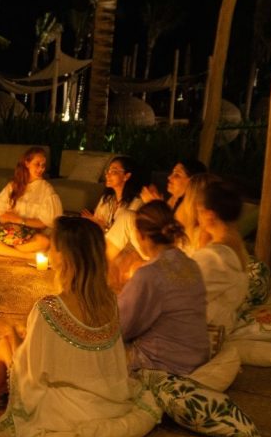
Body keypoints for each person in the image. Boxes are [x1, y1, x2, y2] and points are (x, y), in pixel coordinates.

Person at [0, 216, 146, 437]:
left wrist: (13, 336)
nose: (49, 248)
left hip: (65, 410)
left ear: (65, 255)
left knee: (5, 345)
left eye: (54, 245)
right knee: (12, 342)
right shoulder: (110, 301)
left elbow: (33, 375)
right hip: (104, 399)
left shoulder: (51, 308)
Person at [118, 201, 209, 375]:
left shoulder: (150, 274)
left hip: (165, 363)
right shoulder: (190, 265)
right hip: (196, 357)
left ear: (139, 235)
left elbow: (121, 327)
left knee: (91, 354)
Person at [0, 146, 62, 259]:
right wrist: (11, 224)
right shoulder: (13, 186)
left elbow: (44, 223)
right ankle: (26, 256)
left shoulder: (46, 190)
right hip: (11, 234)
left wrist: (20, 220)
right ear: (27, 163)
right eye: (37, 164)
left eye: (43, 165)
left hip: (32, 236)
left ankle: (5, 250)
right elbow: (1, 216)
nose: (41, 169)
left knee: (45, 241)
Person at [191, 178, 251, 334]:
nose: (197, 217)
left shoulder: (215, 256)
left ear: (209, 215)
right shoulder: (236, 246)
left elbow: (181, 294)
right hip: (218, 328)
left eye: (199, 211)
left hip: (199, 336)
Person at [82, 156, 143, 261]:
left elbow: (128, 237)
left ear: (126, 176)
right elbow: (96, 224)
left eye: (113, 171)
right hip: (102, 243)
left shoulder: (136, 203)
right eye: (108, 171)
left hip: (123, 251)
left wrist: (103, 227)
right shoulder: (106, 200)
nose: (108, 175)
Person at [140, 158, 207, 210]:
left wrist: (156, 206)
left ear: (192, 181)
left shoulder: (190, 208)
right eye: (172, 173)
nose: (169, 177)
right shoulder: (173, 200)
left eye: (177, 175)